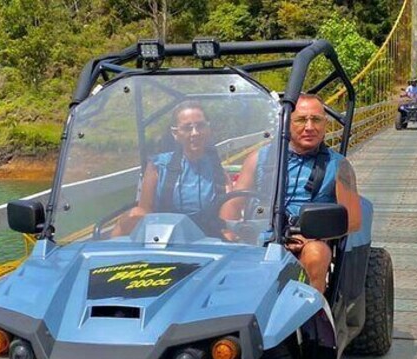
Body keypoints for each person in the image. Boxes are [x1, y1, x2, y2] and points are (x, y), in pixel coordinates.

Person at [234, 93, 362, 293]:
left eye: (316, 119)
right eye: (301, 120)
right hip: (260, 235)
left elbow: (353, 220)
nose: (310, 127)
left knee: (316, 254)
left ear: (325, 124)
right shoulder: (258, 158)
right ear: (286, 123)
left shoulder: (338, 166)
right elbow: (230, 211)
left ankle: (310, 319)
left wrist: (311, 235)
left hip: (310, 239)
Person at [112, 101, 229, 236]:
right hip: (164, 238)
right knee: (133, 215)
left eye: (200, 126)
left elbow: (227, 215)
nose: (195, 133)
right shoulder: (158, 167)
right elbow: (144, 212)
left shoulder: (217, 169)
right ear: (175, 133)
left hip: (206, 239)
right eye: (187, 128)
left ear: (208, 129)